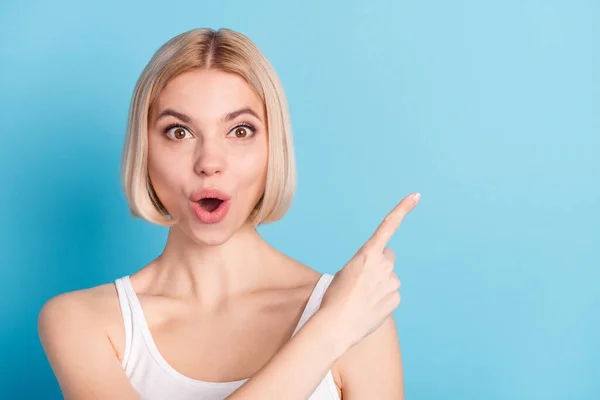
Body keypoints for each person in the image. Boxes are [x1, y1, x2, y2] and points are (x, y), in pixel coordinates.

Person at [38, 27, 419, 400]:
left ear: (274, 148)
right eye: (178, 132)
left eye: (240, 131)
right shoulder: (83, 322)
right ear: (145, 150)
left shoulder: (362, 316)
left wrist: (341, 320)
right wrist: (329, 332)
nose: (209, 163)